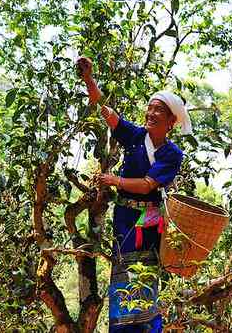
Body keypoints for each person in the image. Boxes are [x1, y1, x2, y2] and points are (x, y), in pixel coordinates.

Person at [77, 57, 191, 333]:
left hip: (149, 221)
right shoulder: (136, 136)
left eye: (158, 111)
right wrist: (89, 80)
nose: (151, 114)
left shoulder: (172, 154)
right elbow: (107, 112)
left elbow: (147, 185)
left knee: (144, 273)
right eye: (149, 109)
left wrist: (113, 180)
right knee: (122, 273)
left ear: (172, 121)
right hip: (125, 216)